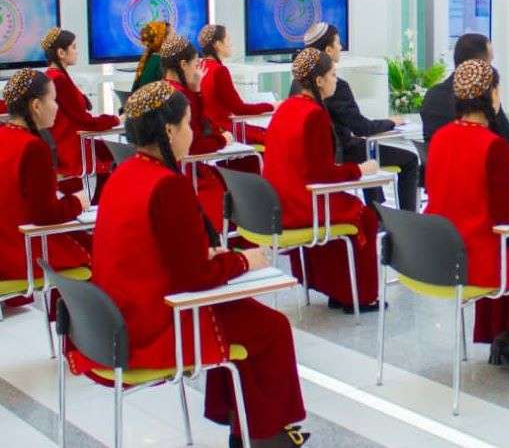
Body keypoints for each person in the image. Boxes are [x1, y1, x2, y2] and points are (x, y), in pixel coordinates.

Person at [73, 81, 308, 447]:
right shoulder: (167, 185)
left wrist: (207, 258)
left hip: (121, 316)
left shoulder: (125, 173)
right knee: (271, 328)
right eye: (187, 124)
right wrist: (242, 260)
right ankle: (265, 436)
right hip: (157, 324)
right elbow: (195, 279)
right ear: (169, 131)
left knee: (247, 317)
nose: (192, 133)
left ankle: (243, 425)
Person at [424, 60, 509, 376]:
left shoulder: (441, 137)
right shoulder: (494, 146)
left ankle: (501, 337)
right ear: (492, 96)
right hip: (474, 258)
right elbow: (506, 215)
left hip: (440, 251)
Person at [265, 48, 383, 313]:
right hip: (301, 203)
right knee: (364, 215)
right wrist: (360, 170)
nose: (335, 80)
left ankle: (334, 289)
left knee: (344, 209)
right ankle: (361, 297)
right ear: (319, 80)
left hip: (281, 199)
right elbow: (323, 175)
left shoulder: (288, 107)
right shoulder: (314, 114)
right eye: (332, 75)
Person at [420, 33, 509, 255]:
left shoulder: (440, 131)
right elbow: (506, 212)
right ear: (490, 92)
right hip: (479, 252)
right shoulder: (493, 146)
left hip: (441, 244)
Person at [292, 22, 419, 211]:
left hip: (320, 157)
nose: (341, 47)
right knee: (408, 159)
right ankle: (404, 218)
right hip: (340, 151)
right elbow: (362, 128)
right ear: (328, 50)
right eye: (338, 42)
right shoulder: (335, 86)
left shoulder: (299, 83)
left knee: (367, 148)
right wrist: (391, 122)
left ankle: (377, 210)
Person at [0, 69, 91, 310]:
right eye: (53, 100)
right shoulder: (33, 147)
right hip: (22, 251)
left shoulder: (4, 136)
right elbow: (45, 216)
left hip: (5, 245)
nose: (57, 107)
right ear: (36, 105)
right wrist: (77, 203)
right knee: (98, 253)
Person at [161, 34, 234, 233]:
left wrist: (196, 90)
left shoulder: (163, 88)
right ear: (183, 64)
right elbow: (195, 143)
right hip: (187, 170)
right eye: (195, 65)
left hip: (169, 166)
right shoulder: (181, 96)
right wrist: (222, 140)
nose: (197, 71)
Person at [42, 28, 120, 190]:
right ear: (61, 53)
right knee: (117, 155)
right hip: (71, 148)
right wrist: (115, 119)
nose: (77, 52)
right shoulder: (59, 80)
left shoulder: (51, 76)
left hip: (64, 144)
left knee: (109, 152)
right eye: (74, 47)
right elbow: (84, 120)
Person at [198, 24, 274, 146]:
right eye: (228, 40)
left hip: (211, 129)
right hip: (225, 130)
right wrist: (271, 106)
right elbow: (239, 109)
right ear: (218, 44)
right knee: (275, 136)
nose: (231, 44)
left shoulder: (201, 66)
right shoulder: (219, 71)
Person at [132, 20, 171, 92]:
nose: (176, 38)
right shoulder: (161, 62)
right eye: (172, 35)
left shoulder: (150, 58)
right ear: (162, 39)